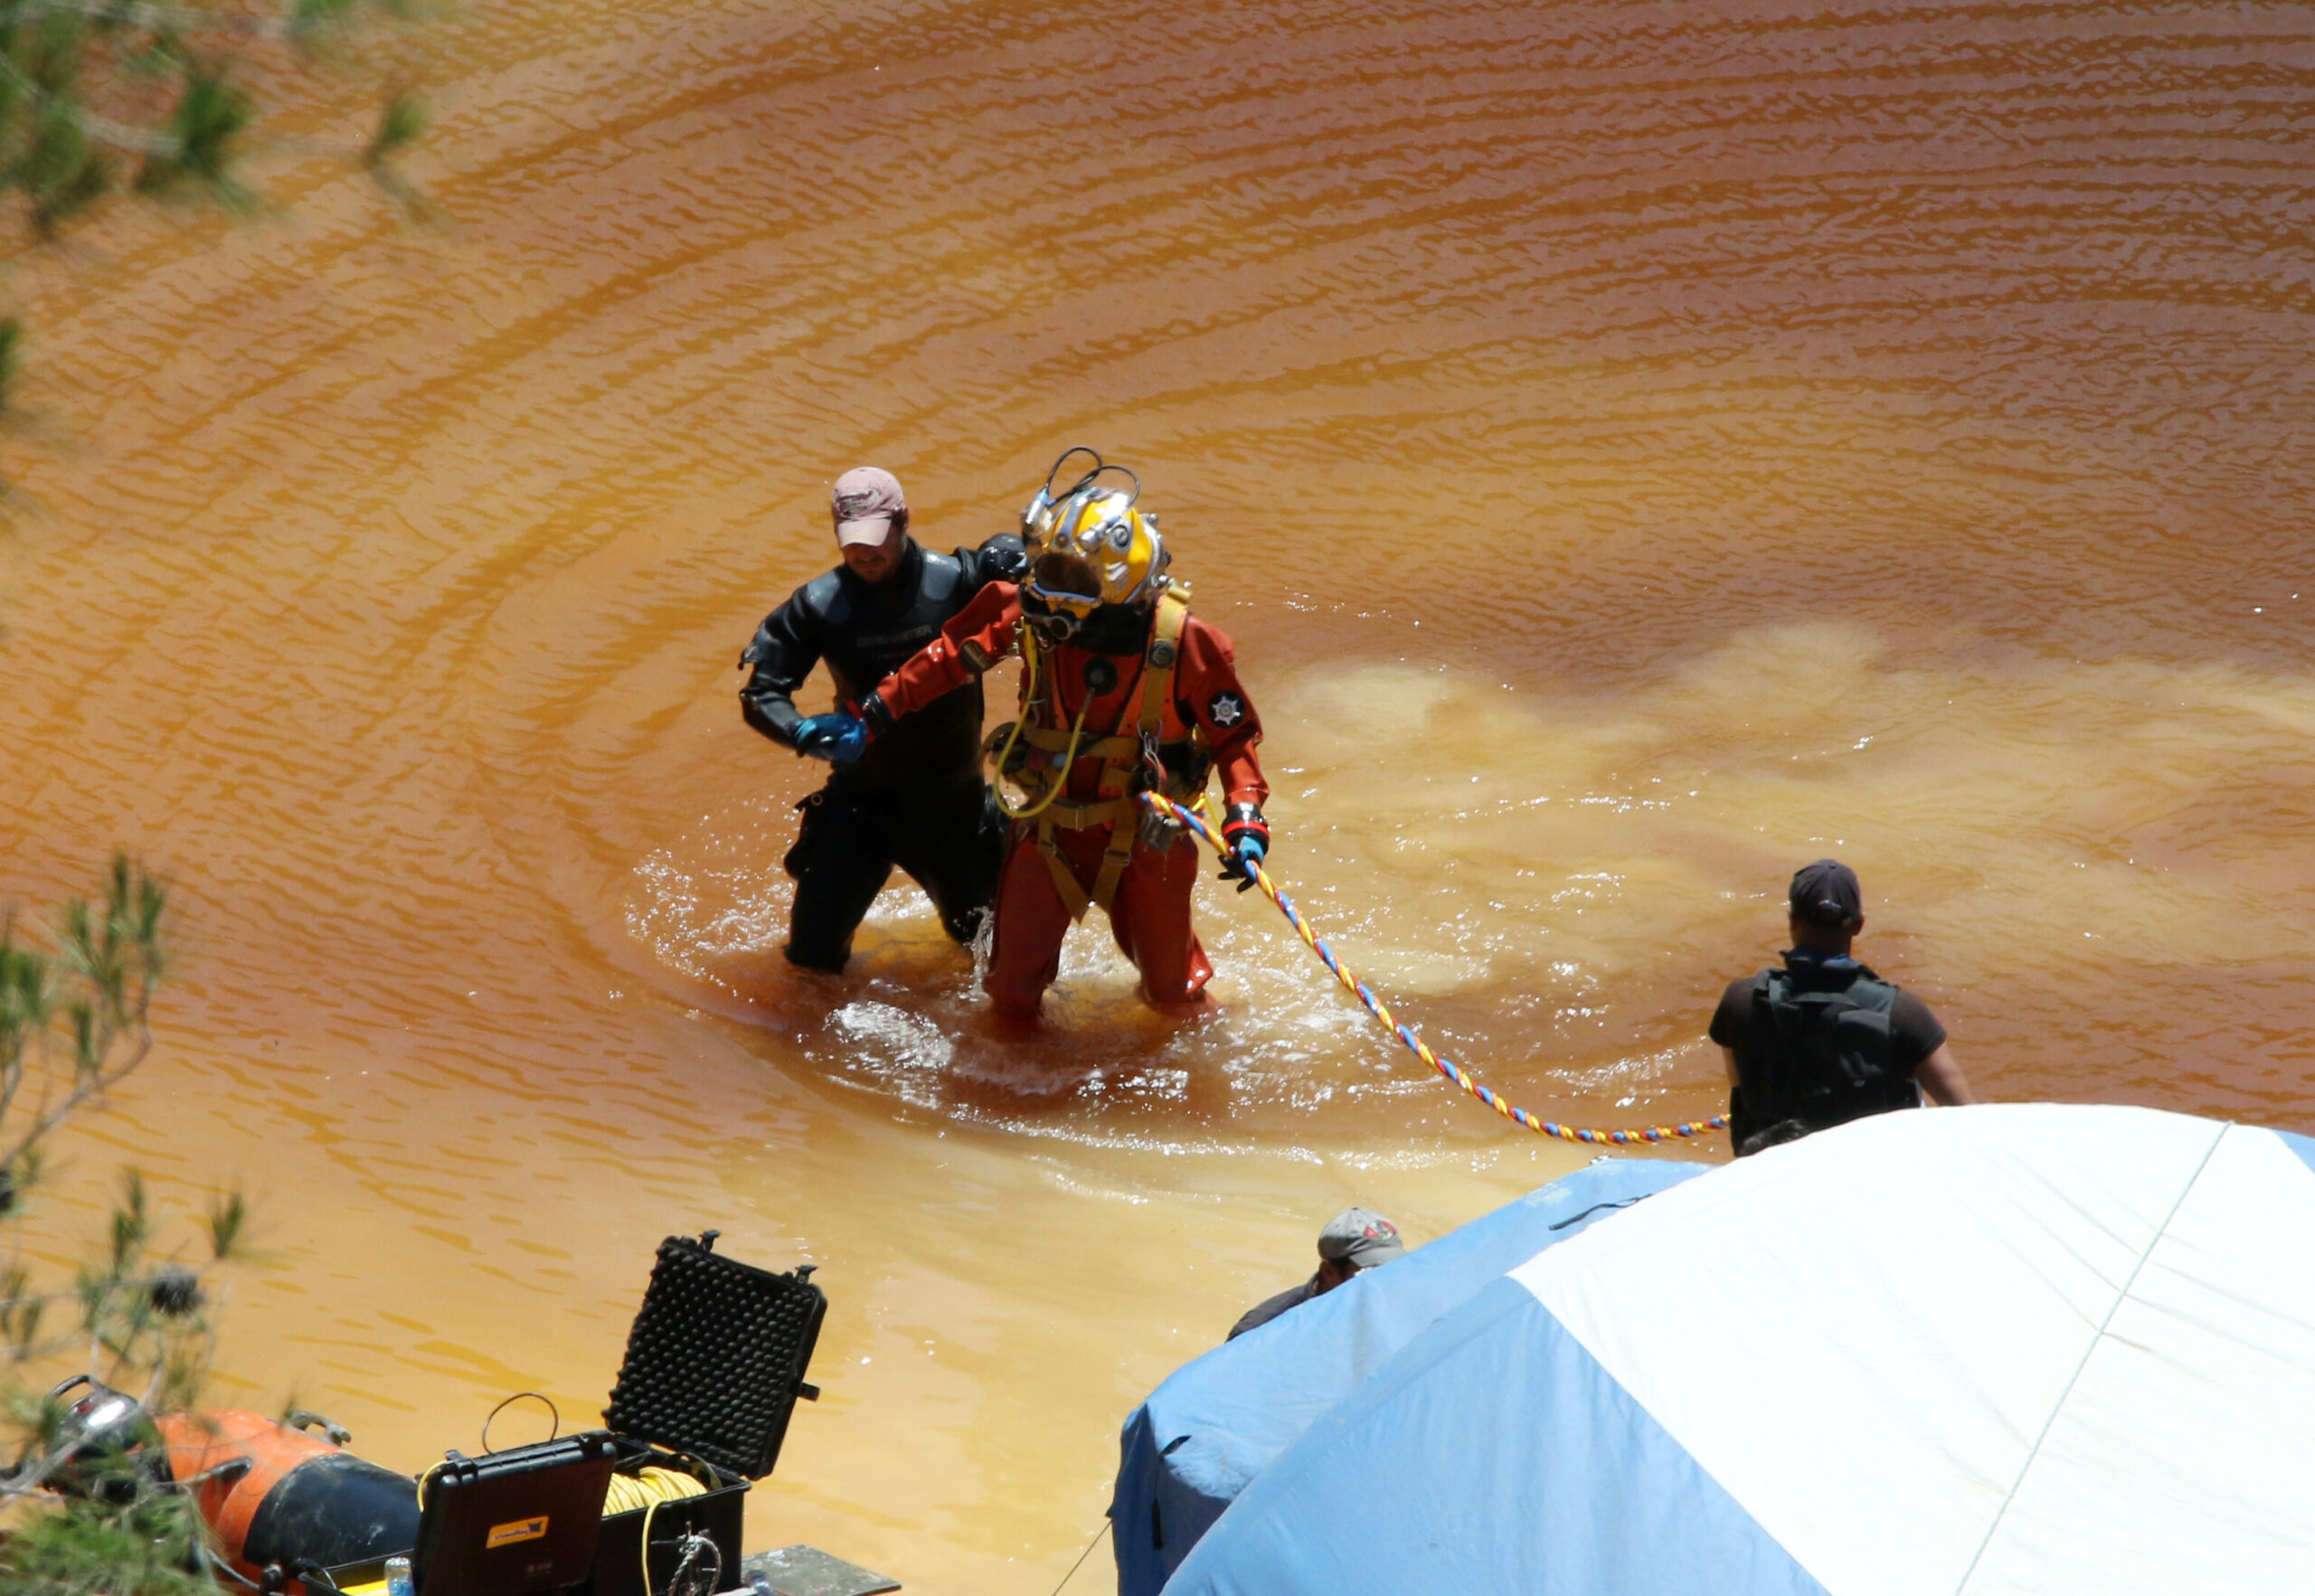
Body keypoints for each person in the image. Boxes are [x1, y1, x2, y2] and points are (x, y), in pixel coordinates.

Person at [808, 450, 1271, 1023]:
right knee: (1009, 994)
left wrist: (1245, 817)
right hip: (1050, 832)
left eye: (1070, 579)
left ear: (1117, 583)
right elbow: (947, 659)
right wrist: (875, 711)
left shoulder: (1187, 644)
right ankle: (1011, 1092)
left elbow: (1234, 738)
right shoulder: (1031, 616)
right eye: (1047, 571)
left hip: (1146, 840)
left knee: (1173, 999)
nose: (1048, 592)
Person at [737, 467, 1025, 972]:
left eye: (875, 540)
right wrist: (803, 733)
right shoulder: (818, 606)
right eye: (851, 543)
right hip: (860, 807)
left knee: (1000, 961)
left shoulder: (960, 581)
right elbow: (761, 693)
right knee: (810, 962)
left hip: (953, 809)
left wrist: (1025, 560)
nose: (865, 555)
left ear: (904, 520)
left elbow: (1046, 602)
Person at [1710, 858, 1978, 1157]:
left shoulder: (1740, 1001)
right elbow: (1966, 1118)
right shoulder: (1903, 1014)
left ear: (1792, 920)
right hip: (1867, 1183)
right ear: (1859, 925)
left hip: (1770, 1178)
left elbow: (1741, 1087)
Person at [1227, 1207, 1407, 1340]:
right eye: (1369, 1272)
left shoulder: (1400, 1306)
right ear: (1328, 1272)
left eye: (1392, 1269)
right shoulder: (1260, 1332)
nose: (1383, 1282)